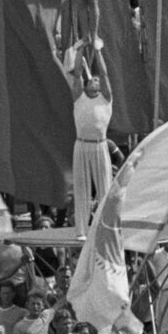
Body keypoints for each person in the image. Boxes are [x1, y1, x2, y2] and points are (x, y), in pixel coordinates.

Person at [68, 39, 113, 232]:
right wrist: (78, 49)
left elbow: (104, 72)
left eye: (96, 80)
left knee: (104, 188)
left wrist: (98, 50)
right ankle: (81, 230)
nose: (94, 81)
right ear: (86, 85)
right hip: (81, 145)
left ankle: (106, 227)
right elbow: (77, 73)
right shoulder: (79, 97)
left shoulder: (106, 98)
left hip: (100, 145)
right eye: (91, 80)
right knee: (81, 188)